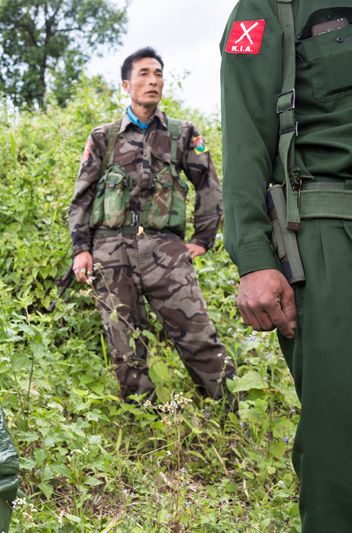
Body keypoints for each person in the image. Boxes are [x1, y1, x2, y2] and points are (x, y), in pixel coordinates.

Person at [220, 2, 352, 529]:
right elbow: (245, 134)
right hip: (329, 234)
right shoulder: (269, 8)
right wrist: (253, 258)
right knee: (340, 440)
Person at [68, 47, 235, 402]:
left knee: (198, 336)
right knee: (124, 346)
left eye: (158, 73)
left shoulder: (182, 134)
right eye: (143, 74)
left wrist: (202, 238)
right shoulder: (104, 137)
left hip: (165, 251)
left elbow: (209, 186)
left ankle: (231, 412)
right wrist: (81, 249)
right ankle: (145, 417)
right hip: (111, 251)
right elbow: (82, 196)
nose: (153, 80)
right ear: (126, 85)